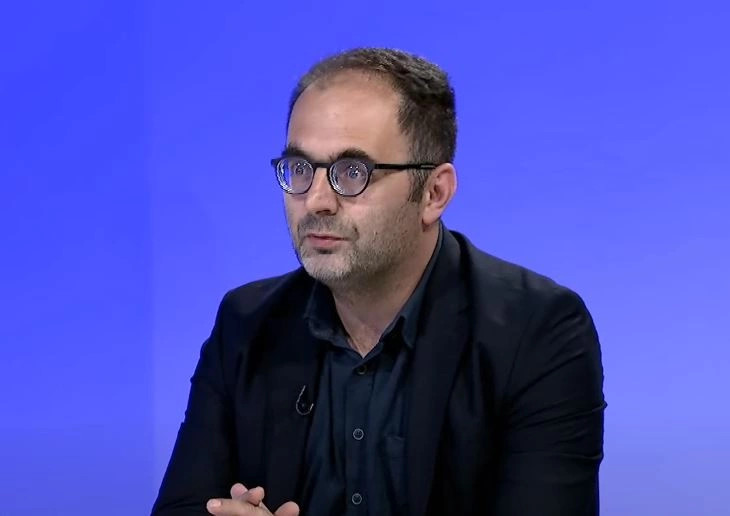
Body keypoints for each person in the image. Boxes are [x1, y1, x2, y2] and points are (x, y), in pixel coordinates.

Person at [151, 47, 606, 516]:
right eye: (300, 169)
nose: (317, 201)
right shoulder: (246, 324)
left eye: (353, 172)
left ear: (434, 193)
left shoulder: (538, 333)